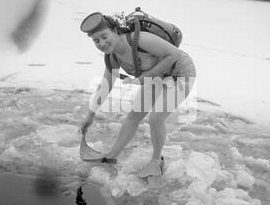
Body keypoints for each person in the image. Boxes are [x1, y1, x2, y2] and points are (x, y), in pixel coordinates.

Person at [80, 12, 196, 178]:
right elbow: (105, 86)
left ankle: (156, 162)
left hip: (181, 72)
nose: (102, 43)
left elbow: (175, 54)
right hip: (156, 77)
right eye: (96, 40)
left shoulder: (139, 39)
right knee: (134, 115)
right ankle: (111, 156)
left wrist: (148, 76)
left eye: (104, 36)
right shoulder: (112, 57)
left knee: (156, 117)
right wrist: (90, 115)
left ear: (115, 30)